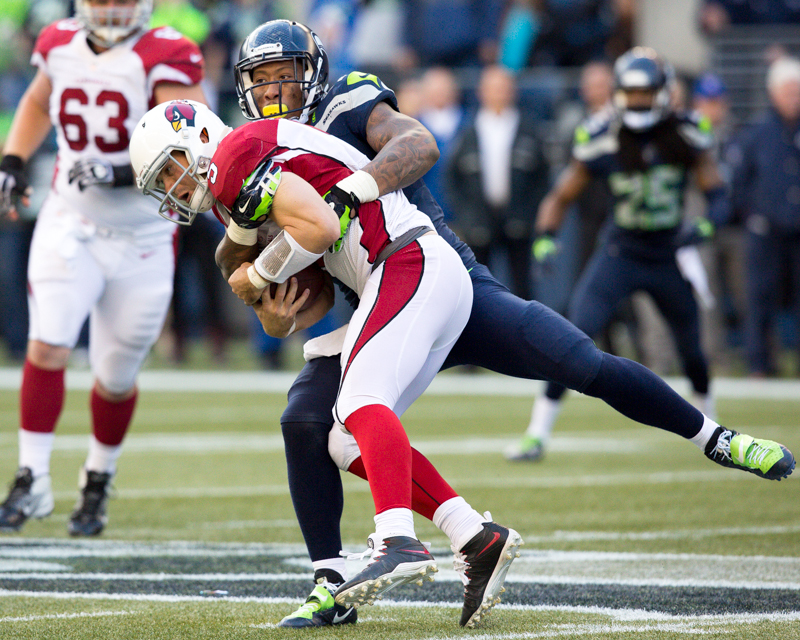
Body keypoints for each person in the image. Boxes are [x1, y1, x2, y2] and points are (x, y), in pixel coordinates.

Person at [198, 20, 794, 630]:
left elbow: (417, 146)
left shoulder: (345, 103)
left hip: (434, 271)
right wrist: (273, 307)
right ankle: (337, 580)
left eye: (285, 78)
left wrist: (353, 189)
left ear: (315, 73)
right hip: (377, 296)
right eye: (262, 83)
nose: (275, 94)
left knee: (581, 364)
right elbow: (312, 292)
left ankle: (714, 438)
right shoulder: (262, 159)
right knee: (308, 418)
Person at [129, 97, 523, 628]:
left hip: (405, 259)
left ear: (199, 139)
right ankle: (474, 536)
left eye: (172, 169)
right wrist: (274, 314)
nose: (176, 189)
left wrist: (256, 277)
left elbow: (318, 228)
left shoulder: (238, 152)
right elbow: (310, 293)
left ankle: (397, 541)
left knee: (361, 400)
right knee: (337, 435)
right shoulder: (233, 192)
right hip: (396, 273)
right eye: (164, 184)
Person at [0, 0, 206, 536]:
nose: (111, 8)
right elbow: (37, 102)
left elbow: (196, 142)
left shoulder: (168, 52)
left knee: (114, 377)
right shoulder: (58, 42)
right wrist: (13, 162)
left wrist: (120, 169)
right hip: (70, 219)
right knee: (47, 343)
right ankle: (32, 477)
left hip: (143, 234)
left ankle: (98, 478)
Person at [508, 47, 734, 461]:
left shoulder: (687, 132)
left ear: (664, 93)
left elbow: (718, 194)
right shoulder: (602, 134)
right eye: (630, 93)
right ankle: (537, 433)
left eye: (645, 92)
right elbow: (561, 194)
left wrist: (705, 226)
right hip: (621, 251)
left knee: (692, 350)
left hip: (668, 253)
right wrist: (546, 235)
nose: (638, 101)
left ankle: (716, 432)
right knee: (574, 335)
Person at [446, 64, 549, 300]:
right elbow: (452, 178)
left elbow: (542, 177)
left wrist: (530, 212)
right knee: (478, 286)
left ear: (513, 91)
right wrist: (467, 216)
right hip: (480, 220)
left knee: (522, 285)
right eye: (493, 88)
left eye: (504, 88)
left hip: (518, 219)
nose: (499, 93)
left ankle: (523, 335)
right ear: (482, 92)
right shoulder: (468, 130)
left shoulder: (529, 129)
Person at [728, 56, 800, 376]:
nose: (793, 97)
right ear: (773, 92)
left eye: (796, 90)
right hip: (765, 229)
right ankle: (759, 363)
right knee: (759, 299)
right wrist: (752, 215)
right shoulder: (757, 132)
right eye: (787, 90)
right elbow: (740, 180)